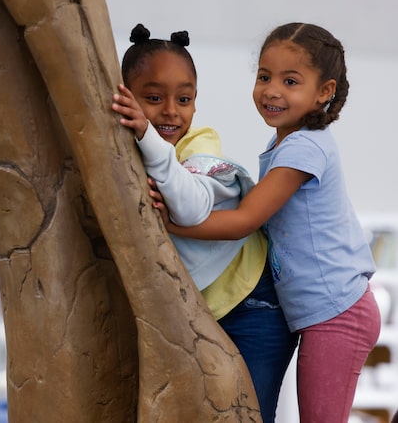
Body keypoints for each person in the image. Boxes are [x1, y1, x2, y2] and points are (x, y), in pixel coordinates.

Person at [159, 22, 379, 423]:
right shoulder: (282, 144)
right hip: (319, 313)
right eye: (264, 76)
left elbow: (245, 220)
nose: (271, 90)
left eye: (290, 81)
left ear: (324, 92)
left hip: (337, 311)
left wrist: (168, 225)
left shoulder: (306, 148)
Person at [110, 23, 297, 422]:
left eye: (184, 99)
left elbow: (191, 209)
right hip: (197, 312)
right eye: (154, 98)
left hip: (252, 304)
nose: (171, 111)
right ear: (126, 96)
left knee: (248, 414)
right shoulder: (126, 154)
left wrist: (148, 137)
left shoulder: (199, 146)